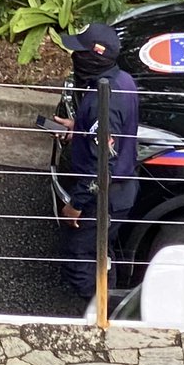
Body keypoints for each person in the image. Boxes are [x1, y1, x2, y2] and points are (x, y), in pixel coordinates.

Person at [53, 22, 140, 299]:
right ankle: (109, 305)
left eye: (79, 52)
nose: (74, 56)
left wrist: (76, 205)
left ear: (94, 57)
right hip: (120, 192)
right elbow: (108, 133)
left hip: (105, 198)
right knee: (102, 253)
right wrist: (78, 128)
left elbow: (103, 164)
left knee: (80, 263)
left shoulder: (107, 97)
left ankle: (99, 320)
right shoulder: (121, 79)